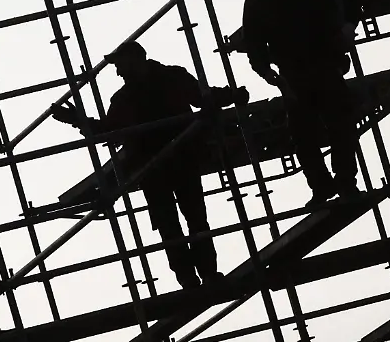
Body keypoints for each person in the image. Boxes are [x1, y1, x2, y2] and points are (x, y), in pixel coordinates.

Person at [50, 42, 249, 290]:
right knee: (180, 223)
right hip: (162, 166)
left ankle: (200, 275)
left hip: (170, 163)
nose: (118, 72)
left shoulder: (160, 82)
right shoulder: (144, 89)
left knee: (188, 221)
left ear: (135, 59)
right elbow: (110, 131)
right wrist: (78, 120)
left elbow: (203, 97)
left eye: (120, 65)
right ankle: (194, 277)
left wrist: (232, 96)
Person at [241, 0, 361, 208]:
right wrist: (271, 76)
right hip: (295, 74)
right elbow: (255, 45)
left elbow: (350, 1)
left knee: (339, 128)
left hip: (323, 64)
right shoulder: (261, 0)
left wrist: (348, 28)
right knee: (305, 136)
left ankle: (344, 183)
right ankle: (324, 187)